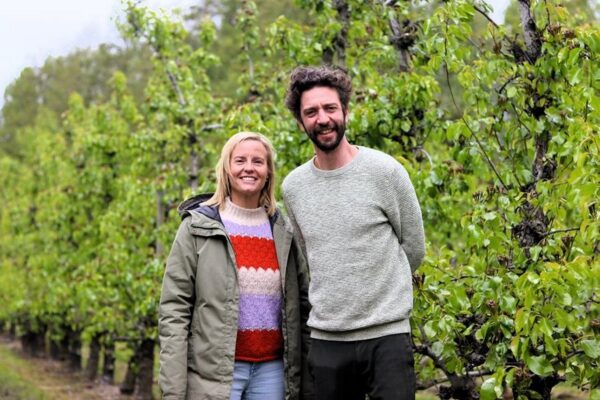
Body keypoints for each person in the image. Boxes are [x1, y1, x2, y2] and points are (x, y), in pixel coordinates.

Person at [282, 65, 426, 400]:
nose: (323, 118)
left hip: (387, 338)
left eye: (330, 108)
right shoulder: (294, 188)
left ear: (346, 111)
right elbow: (309, 255)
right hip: (327, 341)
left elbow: (414, 248)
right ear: (301, 122)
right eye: (311, 112)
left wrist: (379, 297)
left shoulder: (385, 172)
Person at [158, 131, 311, 400]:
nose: (249, 168)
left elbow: (303, 304)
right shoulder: (197, 228)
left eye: (258, 161)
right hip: (214, 373)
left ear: (268, 172)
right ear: (226, 169)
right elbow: (174, 310)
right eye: (240, 160)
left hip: (272, 372)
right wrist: (173, 388)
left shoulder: (284, 231)